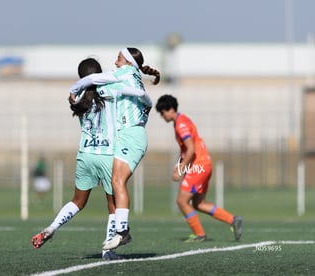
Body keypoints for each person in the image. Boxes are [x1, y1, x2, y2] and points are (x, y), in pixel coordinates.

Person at [31, 57, 147, 260]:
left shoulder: (76, 99)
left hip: (85, 155)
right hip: (107, 155)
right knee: (113, 205)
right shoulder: (109, 91)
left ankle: (51, 228)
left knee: (77, 201)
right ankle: (108, 250)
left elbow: (74, 96)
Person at [70, 47, 160, 250]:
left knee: (117, 181)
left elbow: (90, 80)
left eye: (119, 58)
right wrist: (142, 100)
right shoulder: (134, 75)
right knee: (115, 181)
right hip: (130, 136)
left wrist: (74, 91)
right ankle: (121, 231)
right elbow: (146, 98)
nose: (115, 61)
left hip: (131, 136)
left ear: (128, 62)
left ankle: (122, 231)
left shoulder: (124, 73)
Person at [155, 94, 242, 242]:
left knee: (182, 201)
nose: (162, 117)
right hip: (204, 164)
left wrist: (181, 168)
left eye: (162, 113)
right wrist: (180, 166)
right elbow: (186, 151)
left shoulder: (181, 124)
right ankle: (233, 220)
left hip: (199, 166)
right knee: (199, 204)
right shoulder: (182, 121)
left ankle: (199, 234)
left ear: (170, 109)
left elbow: (191, 149)